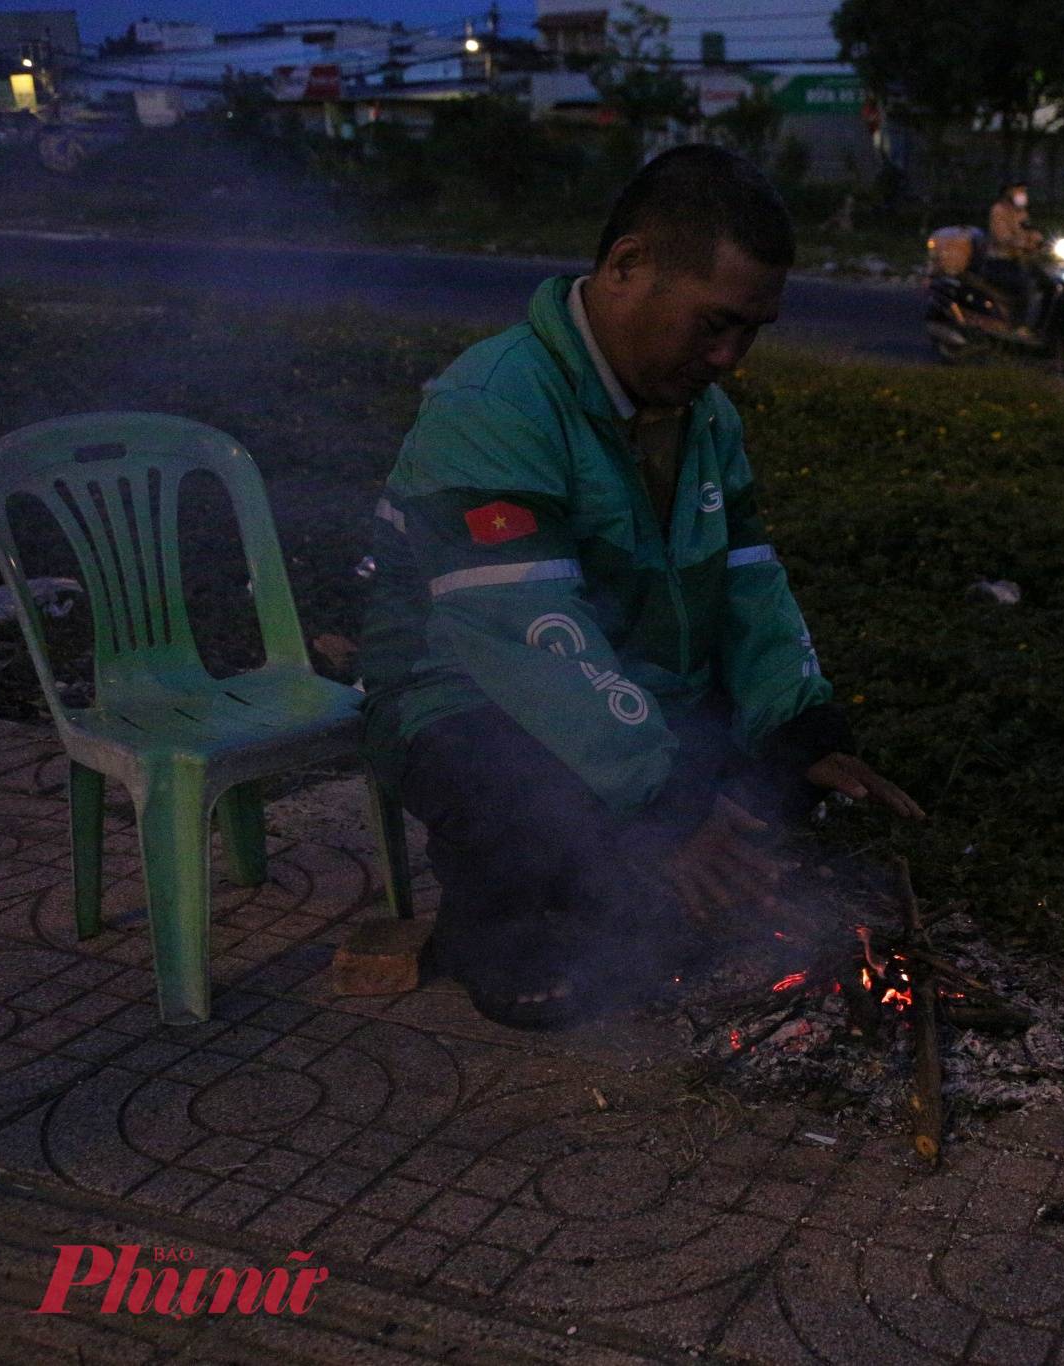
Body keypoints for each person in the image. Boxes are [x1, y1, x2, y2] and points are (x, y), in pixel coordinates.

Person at [357, 145, 923, 1031]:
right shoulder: (494, 402)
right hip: (461, 696)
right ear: (627, 267)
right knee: (527, 802)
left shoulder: (704, 417)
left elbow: (750, 580)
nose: (731, 358)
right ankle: (496, 915)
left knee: (768, 776)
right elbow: (522, 633)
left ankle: (650, 878)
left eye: (752, 332)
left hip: (619, 686)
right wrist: (666, 802)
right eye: (715, 325)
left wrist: (796, 725)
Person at [982, 179, 1044, 329]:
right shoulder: (998, 211)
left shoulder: (1021, 213)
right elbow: (1003, 238)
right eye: (1019, 191)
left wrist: (1042, 242)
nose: (1023, 194)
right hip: (998, 263)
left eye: (1024, 191)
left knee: (1047, 280)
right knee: (1024, 285)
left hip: (1016, 261)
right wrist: (1024, 245)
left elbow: (1031, 231)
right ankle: (1017, 326)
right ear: (1008, 192)